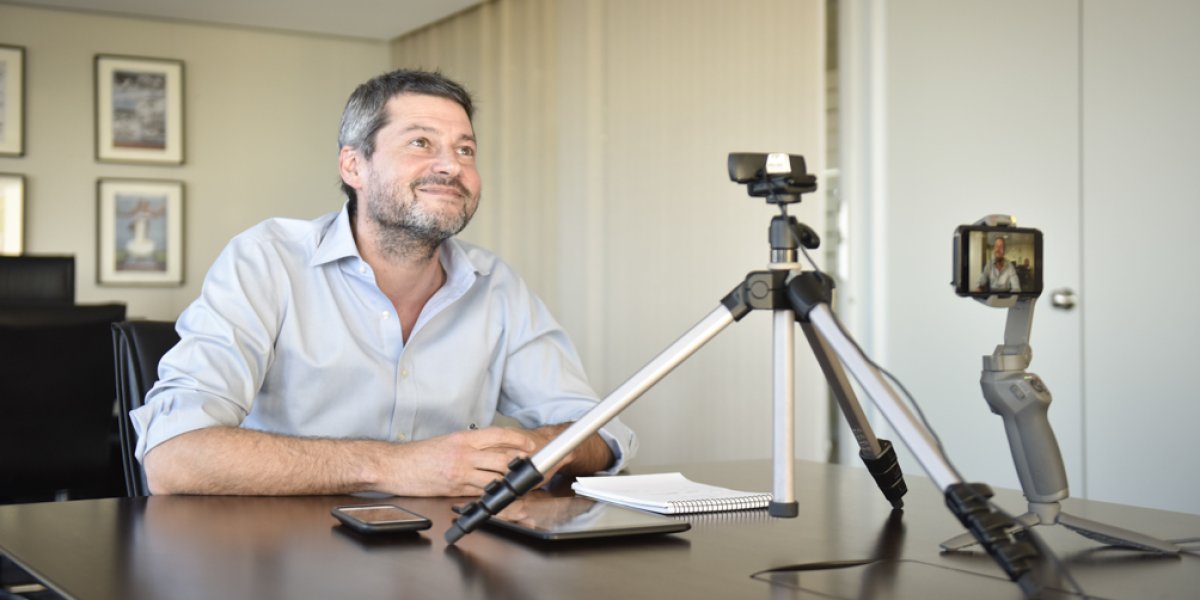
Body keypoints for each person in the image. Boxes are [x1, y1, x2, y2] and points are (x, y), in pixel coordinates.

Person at [131, 69, 636, 497]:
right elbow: (173, 455)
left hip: (447, 551)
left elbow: (605, 431)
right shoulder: (267, 260)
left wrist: (538, 449)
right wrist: (393, 466)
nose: (451, 166)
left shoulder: (496, 285)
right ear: (354, 165)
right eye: (421, 142)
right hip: (283, 555)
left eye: (465, 150)